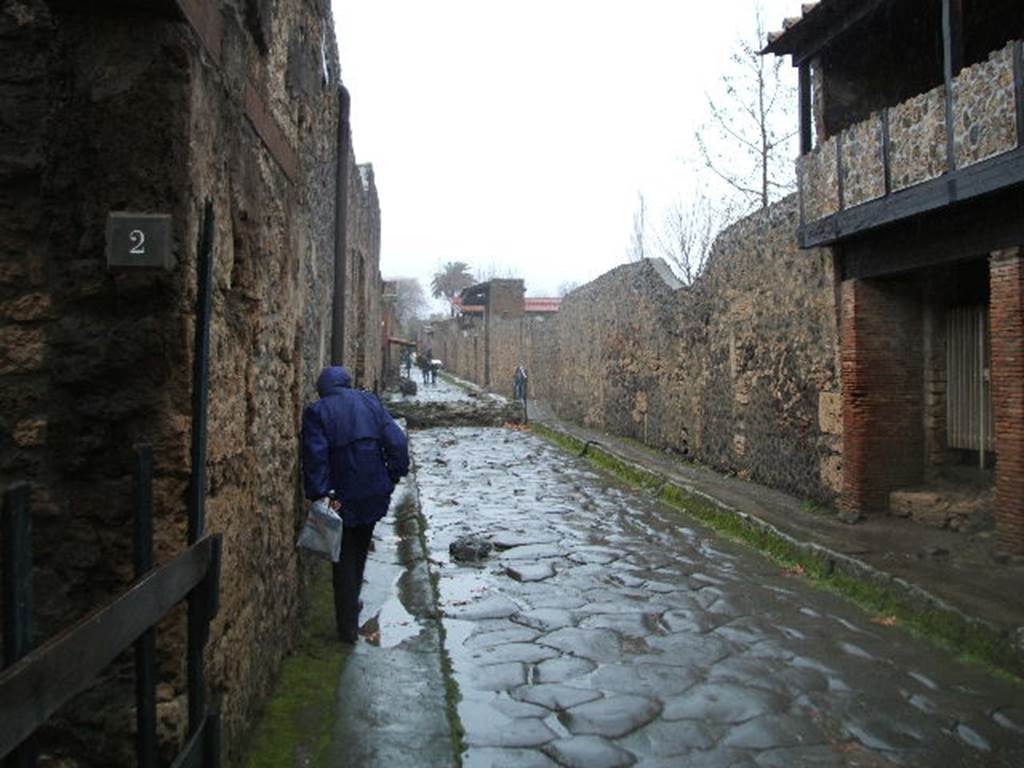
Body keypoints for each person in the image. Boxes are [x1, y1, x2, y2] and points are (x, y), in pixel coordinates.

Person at [302, 366, 410, 643]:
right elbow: (397, 441)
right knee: (360, 547)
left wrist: (319, 494)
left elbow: (316, 457)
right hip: (373, 491)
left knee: (342, 557)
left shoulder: (318, 411)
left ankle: (347, 626)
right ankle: (352, 604)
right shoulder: (370, 403)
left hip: (341, 496)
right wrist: (393, 474)